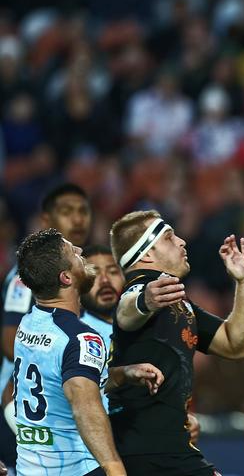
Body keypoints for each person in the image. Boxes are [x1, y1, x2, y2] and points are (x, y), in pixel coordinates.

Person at [108, 210, 244, 475]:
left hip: (170, 446)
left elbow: (236, 344)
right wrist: (144, 302)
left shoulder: (179, 303)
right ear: (146, 255)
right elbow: (126, 311)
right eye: (168, 237)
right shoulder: (141, 288)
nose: (181, 242)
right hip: (146, 448)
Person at [12, 228, 162, 475]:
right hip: (74, 469)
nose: (82, 251)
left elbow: (59, 382)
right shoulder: (81, 337)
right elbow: (85, 407)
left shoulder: (29, 324)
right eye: (74, 252)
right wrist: (114, 469)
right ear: (66, 278)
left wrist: (123, 374)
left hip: (30, 467)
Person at [1, 182, 92, 469]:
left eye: (83, 211)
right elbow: (8, 340)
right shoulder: (23, 277)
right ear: (46, 220)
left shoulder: (84, 275)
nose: (77, 219)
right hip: (25, 405)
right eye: (67, 211)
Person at [80, 244, 201, 442]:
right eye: (94, 274)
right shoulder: (74, 335)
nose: (104, 281)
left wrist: (184, 419)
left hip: (148, 442)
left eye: (112, 271)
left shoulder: (152, 329)